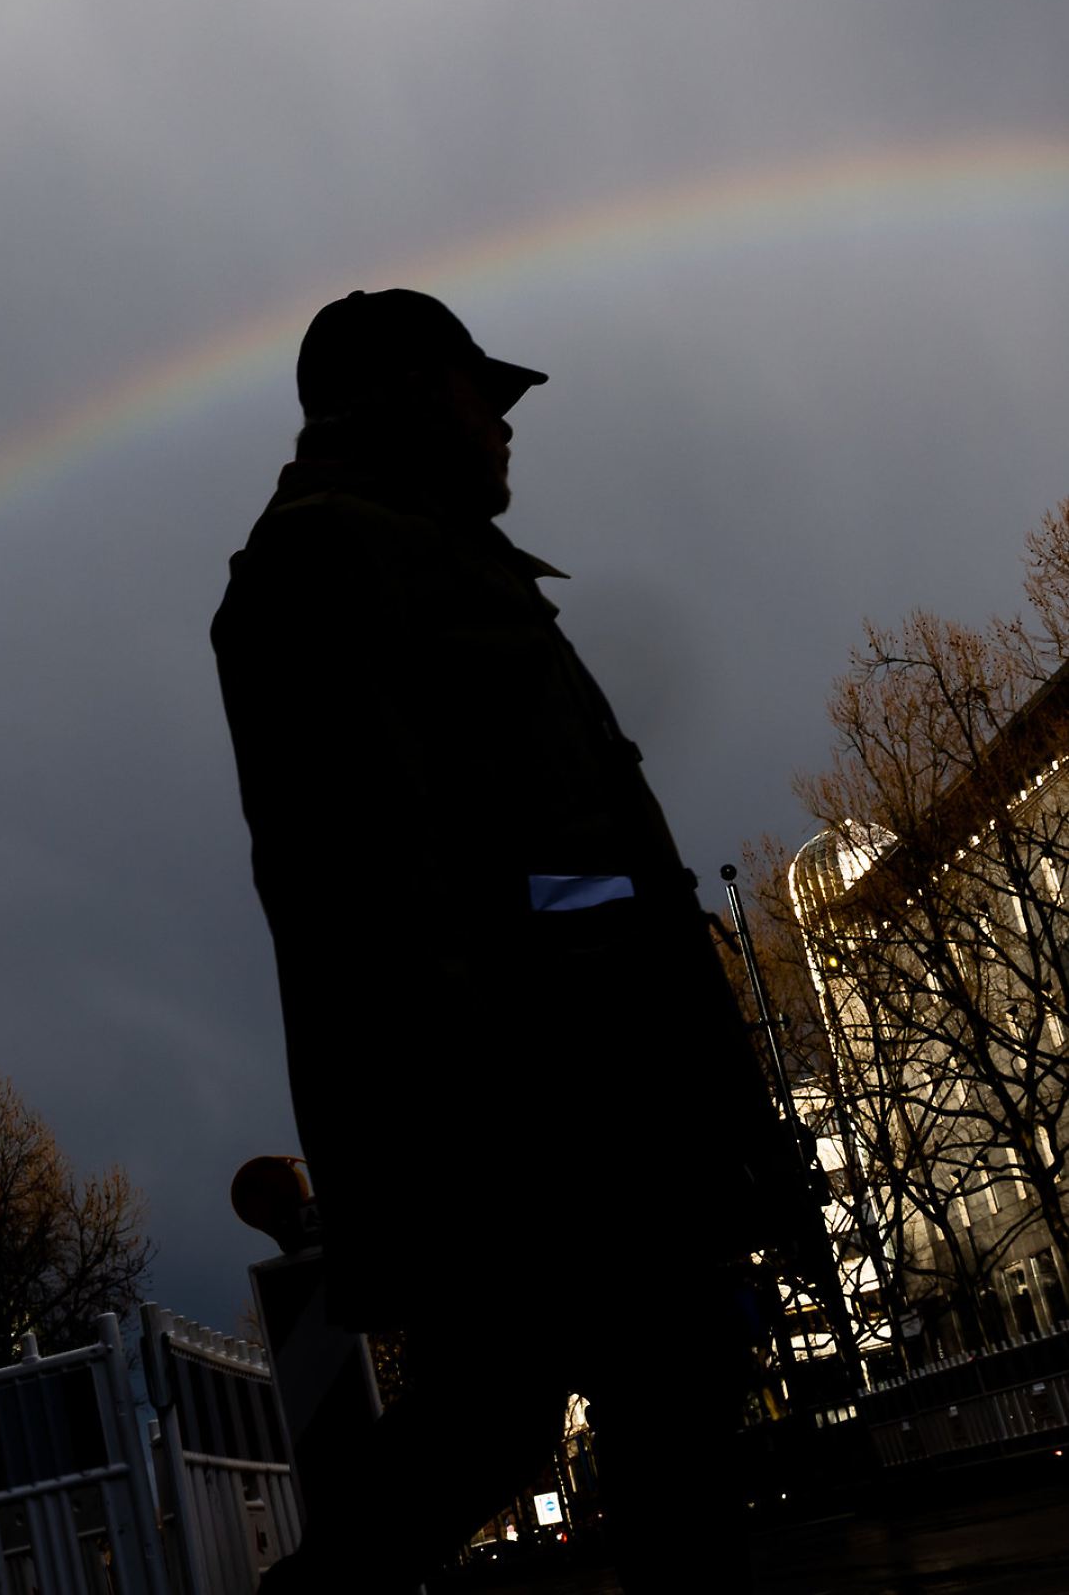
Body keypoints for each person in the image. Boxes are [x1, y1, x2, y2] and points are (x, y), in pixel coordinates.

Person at [211, 289, 780, 1595]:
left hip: (595, 1082)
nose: (507, 425)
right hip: (535, 1105)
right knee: (593, 1400)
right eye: (486, 393)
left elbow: (542, 867)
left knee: (509, 1421)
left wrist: (655, 963)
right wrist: (500, 1083)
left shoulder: (443, 559)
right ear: (413, 391)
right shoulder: (323, 564)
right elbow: (371, 887)